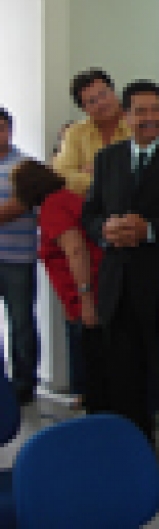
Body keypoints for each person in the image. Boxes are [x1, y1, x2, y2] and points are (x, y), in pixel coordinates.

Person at [81, 81, 159, 443]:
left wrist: (150, 230)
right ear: (126, 116)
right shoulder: (107, 159)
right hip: (118, 288)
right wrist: (105, 230)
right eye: (141, 111)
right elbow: (90, 213)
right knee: (124, 381)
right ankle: (133, 450)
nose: (149, 118)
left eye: (155, 109)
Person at [10, 159, 108, 412]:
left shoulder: (54, 207)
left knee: (95, 363)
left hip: (87, 292)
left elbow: (76, 250)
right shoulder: (64, 198)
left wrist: (85, 298)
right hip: (86, 291)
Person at [0, 107, 39, 406]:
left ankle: (24, 385)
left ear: (10, 131)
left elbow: (20, 206)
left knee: (21, 323)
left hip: (18, 259)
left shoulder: (26, 167)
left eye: (1, 128)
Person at [53, 67, 130, 195]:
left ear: (113, 91)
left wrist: (95, 172)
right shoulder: (75, 133)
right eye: (92, 101)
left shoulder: (138, 125)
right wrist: (107, 178)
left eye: (103, 94)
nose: (101, 104)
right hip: (89, 205)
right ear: (84, 109)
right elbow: (62, 176)